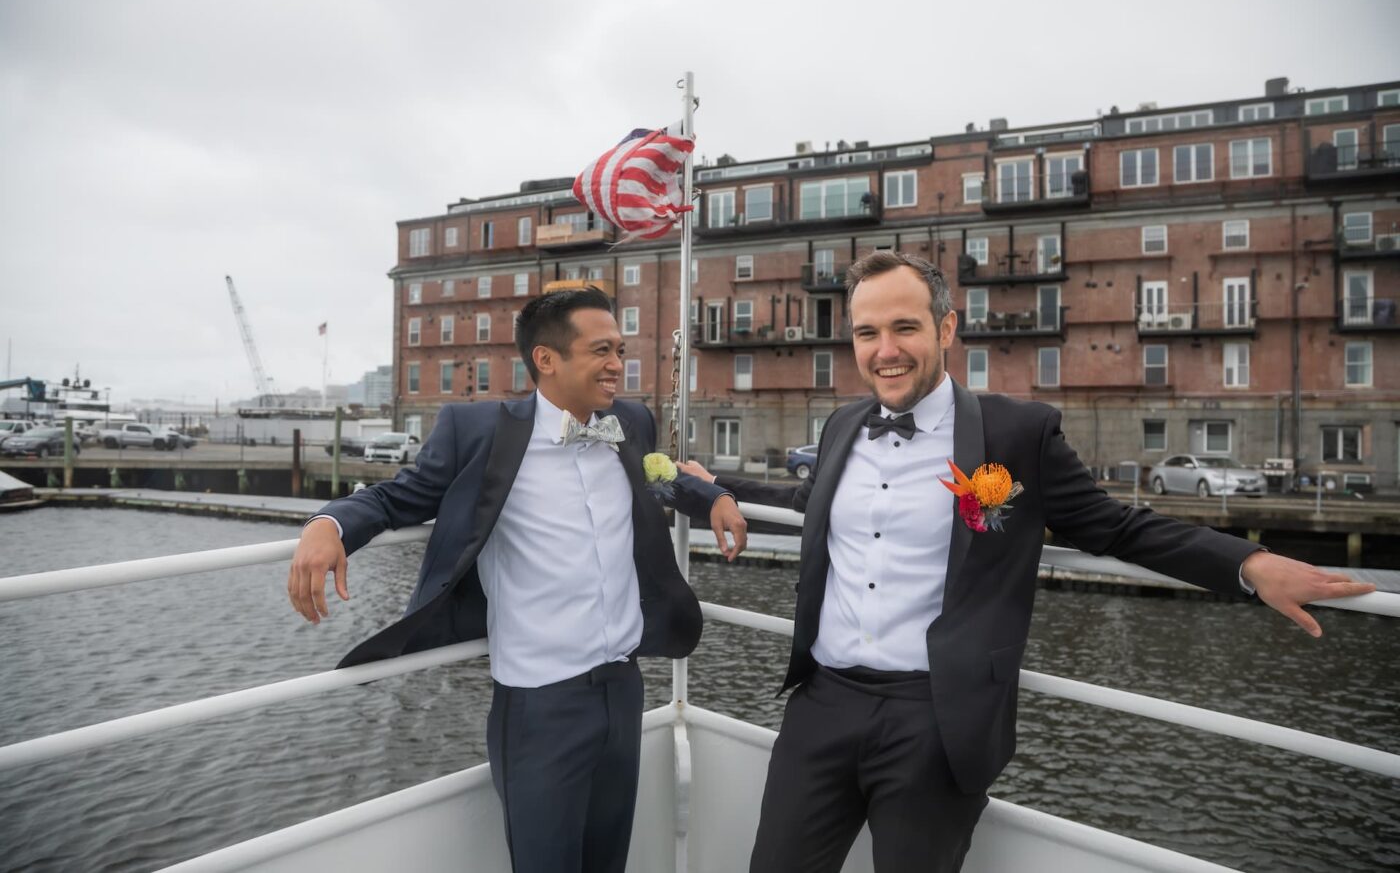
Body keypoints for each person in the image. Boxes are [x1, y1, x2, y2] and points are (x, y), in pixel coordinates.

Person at [678, 250, 1374, 873]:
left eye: (905, 328)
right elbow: (809, 499)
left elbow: (1115, 526)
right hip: (821, 705)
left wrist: (1248, 565)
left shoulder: (1017, 432)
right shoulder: (844, 424)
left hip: (937, 718)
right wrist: (714, 488)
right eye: (867, 333)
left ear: (947, 330)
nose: (885, 350)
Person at [287, 286, 748, 873]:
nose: (618, 364)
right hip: (540, 703)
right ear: (547, 360)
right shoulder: (478, 432)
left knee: (608, 859)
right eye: (602, 350)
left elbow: (659, 479)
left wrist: (711, 496)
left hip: (624, 686)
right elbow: (395, 497)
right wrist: (327, 524)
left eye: (621, 349)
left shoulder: (630, 421)